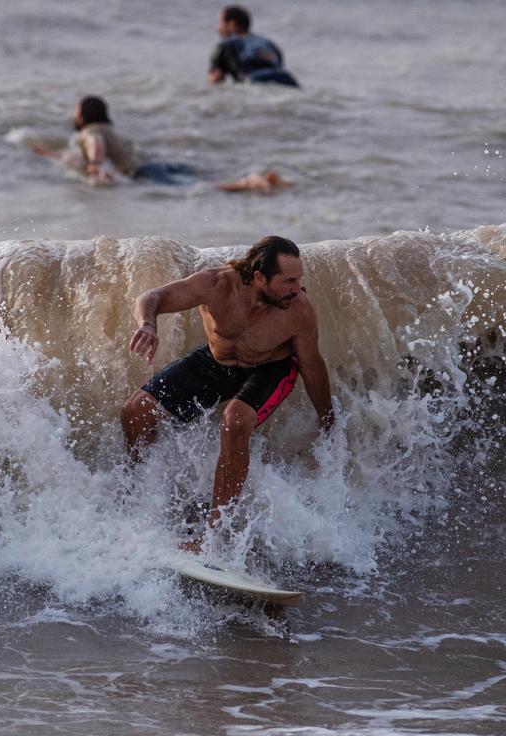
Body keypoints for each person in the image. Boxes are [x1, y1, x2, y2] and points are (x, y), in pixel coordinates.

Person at [121, 236, 334, 552]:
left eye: (299, 279)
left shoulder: (297, 309)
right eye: (289, 280)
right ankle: (140, 498)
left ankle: (213, 536)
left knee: (235, 421)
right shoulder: (217, 285)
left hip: (271, 369)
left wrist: (327, 417)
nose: (297, 288)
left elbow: (312, 363)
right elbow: (152, 297)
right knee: (135, 411)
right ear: (260, 277)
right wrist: (148, 324)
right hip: (216, 362)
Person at [33, 95, 294, 192]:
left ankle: (251, 182)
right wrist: (48, 154)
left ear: (82, 115)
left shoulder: (89, 132)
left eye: (75, 111)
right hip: (156, 165)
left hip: (144, 173)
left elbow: (95, 145)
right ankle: (257, 179)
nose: (73, 115)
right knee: (200, 179)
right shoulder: (108, 128)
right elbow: (80, 151)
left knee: (205, 187)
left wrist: (94, 165)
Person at [209, 5, 299, 88]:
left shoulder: (225, 44)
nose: (218, 28)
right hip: (287, 79)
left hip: (254, 81)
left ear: (232, 24)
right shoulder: (269, 44)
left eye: (220, 22)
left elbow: (216, 80)